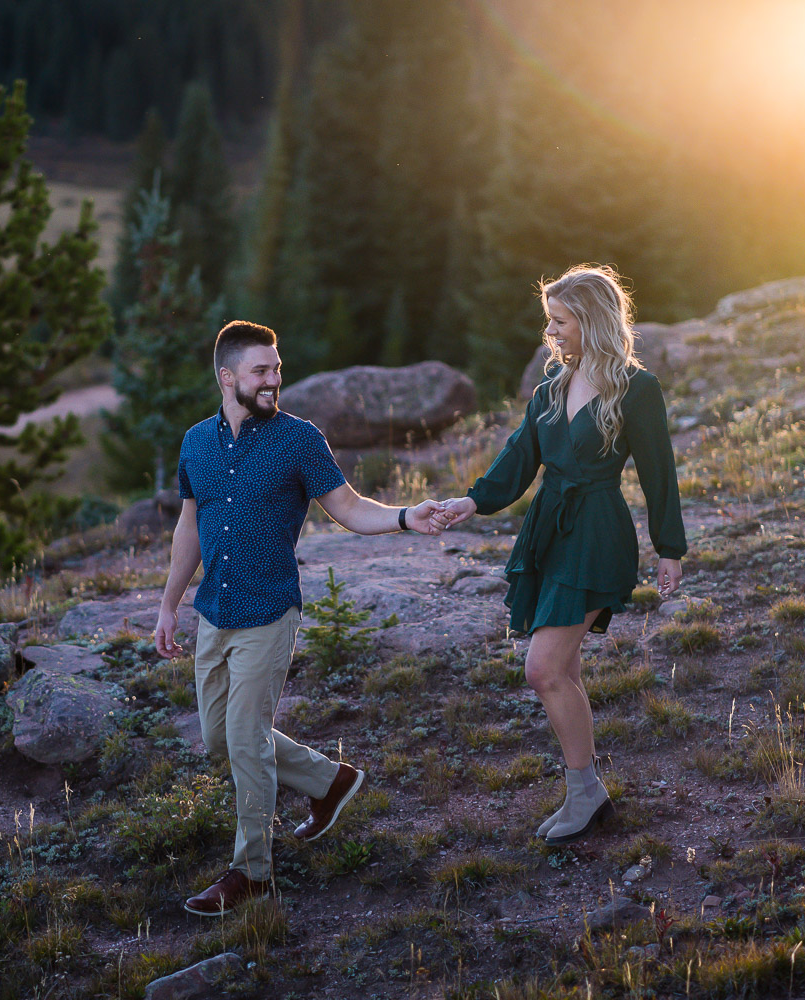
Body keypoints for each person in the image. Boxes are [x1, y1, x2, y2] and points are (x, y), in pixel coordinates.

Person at [155, 319, 447, 916]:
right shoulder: (195, 444)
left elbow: (348, 506)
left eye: (277, 369)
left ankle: (251, 874)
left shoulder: (299, 439)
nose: (274, 380)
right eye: (261, 371)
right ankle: (328, 780)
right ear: (228, 377)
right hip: (214, 613)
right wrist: (169, 603)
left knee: (244, 741)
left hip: (268, 613)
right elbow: (190, 525)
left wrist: (403, 517)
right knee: (219, 735)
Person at [435, 265, 686, 845]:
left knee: (542, 668)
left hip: (597, 533)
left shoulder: (635, 388)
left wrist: (669, 549)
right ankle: (585, 793)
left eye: (561, 321)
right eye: (549, 322)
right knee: (564, 668)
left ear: (593, 322)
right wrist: (471, 501)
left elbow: (659, 474)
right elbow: (519, 458)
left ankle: (585, 789)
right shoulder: (550, 387)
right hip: (548, 531)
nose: (552, 333)